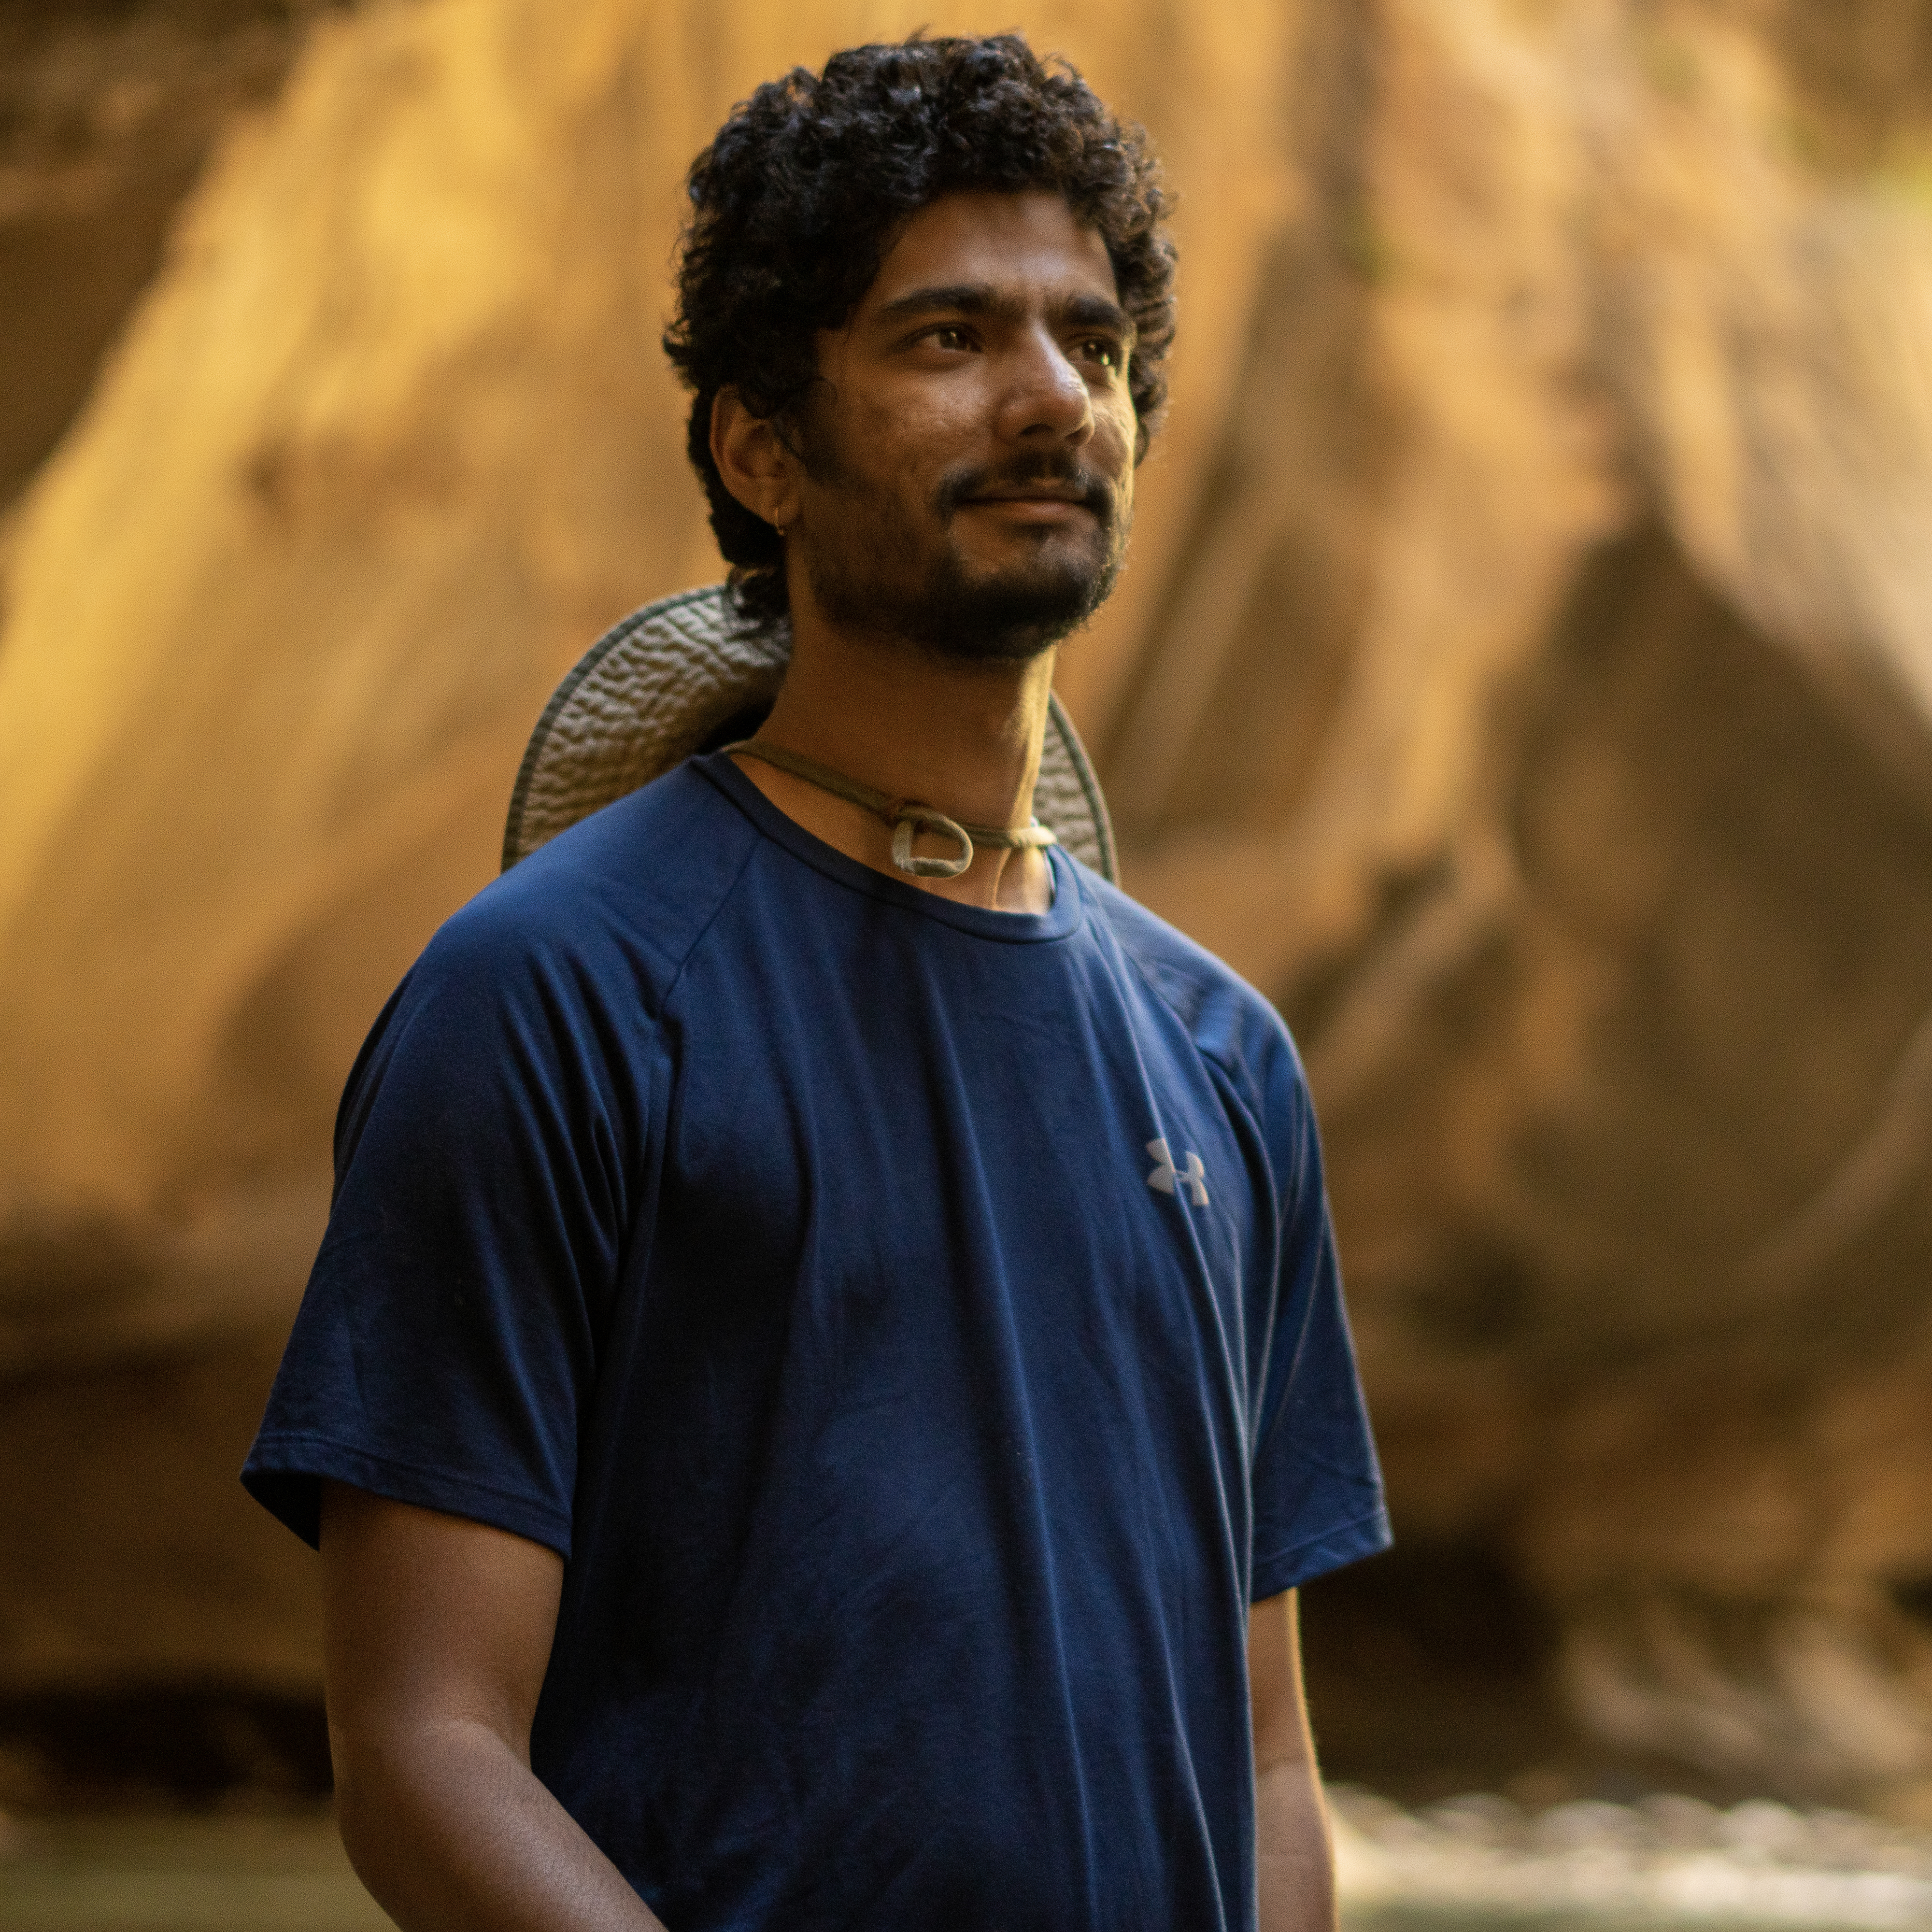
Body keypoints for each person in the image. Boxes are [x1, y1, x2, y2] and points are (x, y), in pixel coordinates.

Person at [244, 32, 1389, 1932]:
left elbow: (1267, 1755)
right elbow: (425, 1745)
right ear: (760, 451)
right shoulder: (549, 999)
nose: (1050, 396)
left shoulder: (1223, 1058)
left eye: (1091, 344)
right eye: (949, 337)